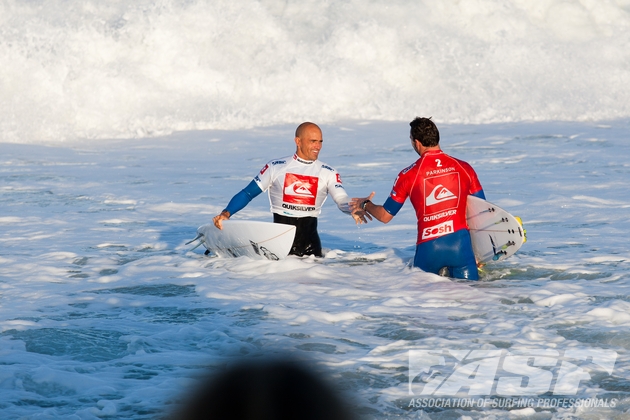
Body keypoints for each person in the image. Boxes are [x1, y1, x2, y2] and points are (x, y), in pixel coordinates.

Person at [350, 117, 486, 280]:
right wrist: (479, 252)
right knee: (472, 299)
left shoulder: (408, 175)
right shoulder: (464, 168)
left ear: (416, 142)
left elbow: (385, 216)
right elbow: (482, 212)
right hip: (460, 248)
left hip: (429, 249)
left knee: (423, 302)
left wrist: (365, 204)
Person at [212, 122, 366, 257]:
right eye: (313, 141)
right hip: (278, 248)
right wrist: (227, 213)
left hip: (311, 249)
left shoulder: (328, 172)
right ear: (298, 141)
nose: (318, 146)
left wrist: (354, 207)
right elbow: (248, 193)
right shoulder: (276, 167)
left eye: (320, 141)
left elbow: (341, 200)